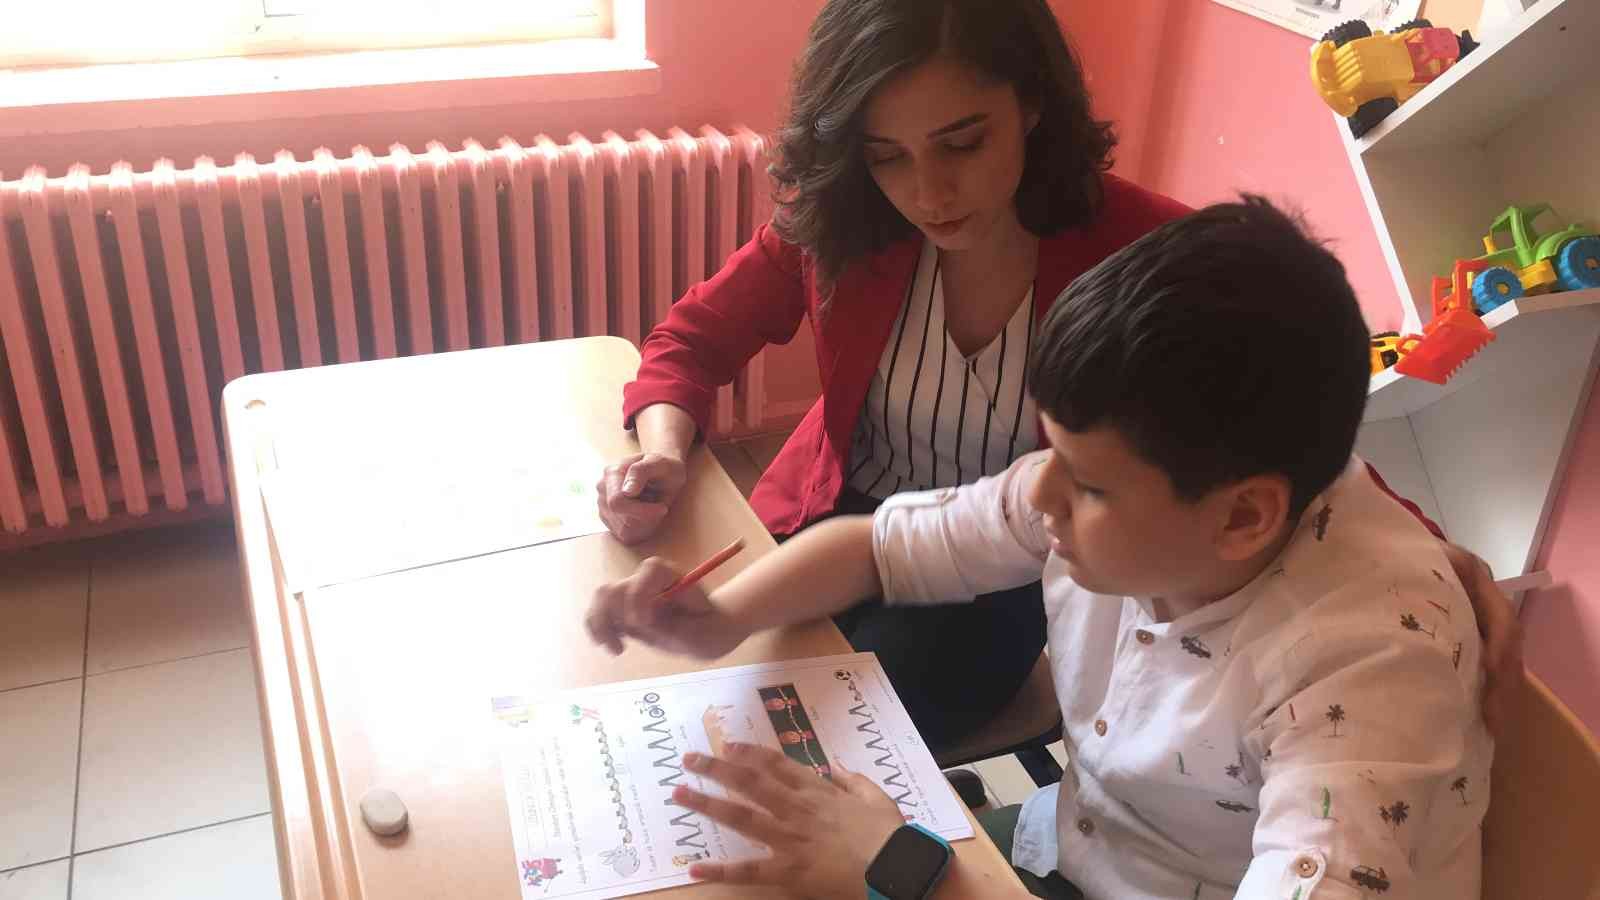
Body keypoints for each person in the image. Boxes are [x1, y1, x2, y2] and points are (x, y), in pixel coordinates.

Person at [596, 0, 1520, 749]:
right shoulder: (842, 225)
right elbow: (691, 340)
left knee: (828, 726)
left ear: (1032, 105)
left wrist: (1425, 547)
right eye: (887, 157)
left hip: (1016, 558)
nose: (928, 193)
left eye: (962, 143)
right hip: (839, 518)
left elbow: (1286, 423)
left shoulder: (1146, 252)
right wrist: (664, 453)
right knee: (711, 684)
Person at [587, 199, 1495, 898]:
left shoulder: (1361, 673)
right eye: (1049, 448)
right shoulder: (1143, 487)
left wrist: (903, 866)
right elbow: (878, 549)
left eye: (1088, 484)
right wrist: (723, 618)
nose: (1039, 493)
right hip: (1073, 852)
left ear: (1242, 520)